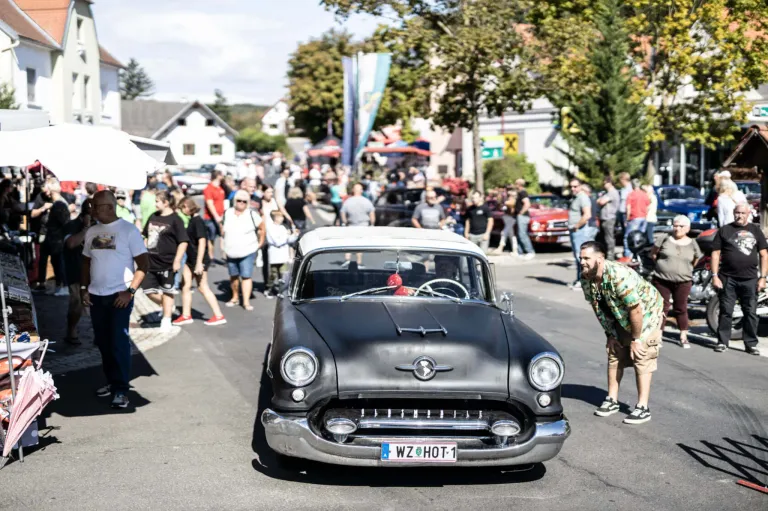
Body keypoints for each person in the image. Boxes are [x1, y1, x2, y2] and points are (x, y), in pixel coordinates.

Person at [579, 241, 664, 425]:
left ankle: (642, 407)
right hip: (620, 314)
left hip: (647, 314)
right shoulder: (586, 277)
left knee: (641, 355)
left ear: (600, 259)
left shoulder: (619, 275)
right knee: (614, 352)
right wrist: (609, 334)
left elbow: (636, 310)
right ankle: (612, 400)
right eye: (581, 258)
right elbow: (597, 307)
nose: (582, 262)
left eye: (586, 258)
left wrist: (636, 339)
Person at [81, 190, 149, 409]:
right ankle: (112, 382)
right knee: (103, 343)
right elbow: (86, 261)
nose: (91, 209)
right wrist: (84, 288)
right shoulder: (93, 230)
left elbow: (144, 265)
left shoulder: (129, 231)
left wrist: (129, 291)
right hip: (96, 296)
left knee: (118, 343)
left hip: (119, 296)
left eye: (95, 206)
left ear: (109, 207)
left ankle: (121, 390)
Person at [711, 203, 767, 355]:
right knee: (726, 311)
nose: (739, 215)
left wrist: (762, 277)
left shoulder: (755, 230)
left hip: (750, 279)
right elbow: (715, 254)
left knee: (751, 312)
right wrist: (715, 276)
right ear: (733, 213)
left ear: (748, 214)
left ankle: (751, 344)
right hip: (728, 278)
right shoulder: (725, 230)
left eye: (743, 213)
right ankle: (722, 342)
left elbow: (764, 254)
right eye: (737, 212)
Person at [650, 215, 703, 349]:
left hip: (683, 281)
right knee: (662, 307)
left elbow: (696, 259)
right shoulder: (665, 238)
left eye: (681, 226)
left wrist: (686, 269)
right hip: (662, 279)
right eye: (675, 225)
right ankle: (658, 336)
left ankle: (683, 336)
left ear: (688, 228)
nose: (677, 228)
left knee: (681, 308)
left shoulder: (692, 243)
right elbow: (654, 254)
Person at [173, 198, 226, 327]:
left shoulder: (198, 222)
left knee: (203, 287)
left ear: (187, 206)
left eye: (182, 208)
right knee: (185, 285)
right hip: (190, 259)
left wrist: (199, 263)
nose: (181, 211)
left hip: (198, 259)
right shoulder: (192, 220)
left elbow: (202, 242)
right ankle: (186, 315)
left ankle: (219, 315)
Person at [141, 191, 189, 332]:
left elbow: (183, 242)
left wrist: (177, 260)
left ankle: (166, 319)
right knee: (147, 290)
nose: (155, 204)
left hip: (168, 262)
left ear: (166, 202)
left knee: (167, 291)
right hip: (151, 261)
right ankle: (166, 306)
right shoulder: (153, 216)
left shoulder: (176, 220)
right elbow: (145, 235)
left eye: (157, 201)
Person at [222, 190, 265, 310]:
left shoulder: (252, 214)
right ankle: (235, 297)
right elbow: (223, 229)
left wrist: (260, 243)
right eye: (239, 201)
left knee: (246, 276)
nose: (241, 203)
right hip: (231, 251)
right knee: (233, 275)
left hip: (248, 250)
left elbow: (262, 227)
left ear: (248, 203)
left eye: (244, 201)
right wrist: (223, 244)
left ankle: (246, 302)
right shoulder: (228, 213)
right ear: (234, 201)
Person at [62, 199, 94, 345]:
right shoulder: (72, 226)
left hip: (95, 271)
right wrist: (86, 229)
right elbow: (71, 244)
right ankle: (71, 331)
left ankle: (99, 334)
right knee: (77, 302)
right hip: (76, 270)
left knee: (97, 304)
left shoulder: (99, 226)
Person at [42, 179, 72, 296]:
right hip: (55, 240)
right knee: (57, 263)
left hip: (58, 241)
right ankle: (60, 286)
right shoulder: (57, 203)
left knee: (60, 263)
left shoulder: (59, 204)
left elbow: (65, 223)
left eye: (46, 187)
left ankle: (64, 286)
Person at [567, 178, 594, 289]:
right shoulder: (576, 197)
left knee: (582, 258)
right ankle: (580, 279)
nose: (573, 188)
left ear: (580, 186)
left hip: (580, 231)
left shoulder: (583, 197)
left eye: (575, 186)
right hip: (575, 231)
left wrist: (577, 226)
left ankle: (585, 282)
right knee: (578, 257)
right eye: (571, 186)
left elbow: (587, 215)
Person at [340, 183, 375, 268]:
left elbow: (342, 212)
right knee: (360, 244)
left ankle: (347, 260)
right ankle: (358, 263)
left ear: (353, 190)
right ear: (361, 191)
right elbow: (372, 214)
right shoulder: (366, 201)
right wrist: (372, 224)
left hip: (351, 225)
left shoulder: (348, 201)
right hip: (363, 225)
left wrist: (344, 222)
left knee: (348, 243)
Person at [265, 210, 298, 298]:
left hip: (283, 254)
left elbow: (289, 240)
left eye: (282, 217)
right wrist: (286, 236)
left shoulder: (282, 228)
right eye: (280, 217)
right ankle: (268, 289)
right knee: (273, 274)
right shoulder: (270, 228)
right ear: (275, 218)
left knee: (283, 274)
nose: (282, 218)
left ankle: (281, 291)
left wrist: (295, 235)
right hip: (274, 254)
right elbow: (277, 242)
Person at [203, 170, 226, 262]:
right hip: (210, 218)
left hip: (221, 216)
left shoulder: (220, 188)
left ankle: (224, 256)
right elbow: (210, 204)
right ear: (218, 176)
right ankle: (210, 257)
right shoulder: (208, 188)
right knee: (211, 238)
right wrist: (216, 216)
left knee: (223, 236)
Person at [623, 179, 650, 257]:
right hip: (643, 218)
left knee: (628, 237)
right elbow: (648, 206)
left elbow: (628, 208)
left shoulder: (631, 194)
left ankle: (628, 255)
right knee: (640, 237)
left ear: (632, 185)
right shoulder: (644, 194)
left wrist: (627, 219)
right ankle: (639, 254)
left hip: (634, 217)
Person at [597, 176, 620, 261]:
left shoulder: (612, 192)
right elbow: (598, 201)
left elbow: (601, 201)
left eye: (605, 183)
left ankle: (610, 256)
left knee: (609, 238)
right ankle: (606, 254)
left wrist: (600, 200)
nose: (603, 185)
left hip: (609, 218)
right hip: (604, 218)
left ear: (609, 183)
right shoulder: (606, 193)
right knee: (603, 238)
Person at [513, 179, 535, 258]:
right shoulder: (519, 193)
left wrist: (520, 213)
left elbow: (527, 204)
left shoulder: (523, 193)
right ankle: (520, 252)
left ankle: (530, 251)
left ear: (519, 184)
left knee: (522, 234)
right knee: (519, 234)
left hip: (523, 216)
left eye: (516, 184)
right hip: (520, 216)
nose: (515, 185)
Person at [493, 188, 517, 255]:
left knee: (504, 232)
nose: (509, 196)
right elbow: (501, 206)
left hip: (511, 219)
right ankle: (515, 250)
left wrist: (503, 201)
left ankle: (500, 247)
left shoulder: (513, 201)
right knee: (511, 235)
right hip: (507, 218)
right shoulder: (507, 200)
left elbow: (511, 207)